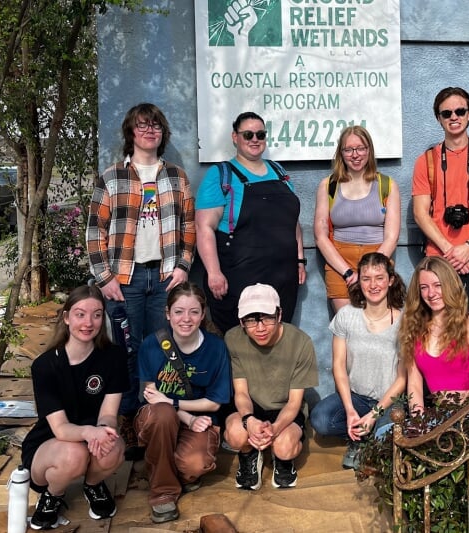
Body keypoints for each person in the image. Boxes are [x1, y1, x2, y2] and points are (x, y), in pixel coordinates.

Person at [86, 102, 196, 418]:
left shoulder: (176, 176)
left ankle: (159, 417)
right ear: (131, 133)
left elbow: (188, 225)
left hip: (165, 277)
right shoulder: (112, 176)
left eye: (155, 126)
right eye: (143, 125)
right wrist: (104, 277)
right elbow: (96, 229)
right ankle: (130, 419)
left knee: (164, 348)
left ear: (163, 133)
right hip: (125, 279)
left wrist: (183, 267)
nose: (150, 131)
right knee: (125, 351)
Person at [21, 285, 128, 530]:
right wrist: (89, 433)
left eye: (97, 314)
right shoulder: (45, 366)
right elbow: (60, 429)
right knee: (74, 454)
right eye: (80, 314)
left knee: (114, 448)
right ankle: (53, 495)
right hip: (49, 446)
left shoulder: (114, 357)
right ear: (67, 318)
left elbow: (109, 413)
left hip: (91, 437)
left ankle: (93, 485)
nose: (88, 322)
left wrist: (104, 431)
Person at [195, 111, 306, 333]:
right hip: (239, 279)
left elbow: (293, 222)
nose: (255, 139)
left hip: (283, 278)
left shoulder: (279, 171)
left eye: (260, 134)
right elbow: (203, 227)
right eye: (248, 135)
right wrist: (214, 273)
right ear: (235, 137)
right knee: (240, 342)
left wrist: (300, 260)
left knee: (277, 338)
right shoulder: (220, 175)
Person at [133, 283, 231, 523]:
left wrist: (175, 405)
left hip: (198, 419)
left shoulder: (216, 348)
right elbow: (153, 397)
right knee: (163, 414)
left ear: (202, 314)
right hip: (159, 418)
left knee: (195, 465)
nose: (186, 319)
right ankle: (163, 493)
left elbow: (214, 404)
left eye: (194, 312)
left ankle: (160, 465)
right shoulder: (151, 345)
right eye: (178, 311)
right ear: (167, 314)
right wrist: (186, 415)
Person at [309, 252, 407, 469]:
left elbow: (402, 379)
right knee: (321, 420)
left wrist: (374, 415)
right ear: (359, 281)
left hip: (389, 400)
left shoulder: (404, 322)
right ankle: (358, 431)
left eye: (379, 278)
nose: (373, 285)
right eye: (366, 278)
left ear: (390, 280)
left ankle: (366, 438)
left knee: (387, 433)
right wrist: (350, 409)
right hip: (356, 398)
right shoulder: (346, 315)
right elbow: (339, 367)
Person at [412, 87, 469, 314]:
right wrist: (450, 251)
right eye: (446, 113)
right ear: (438, 119)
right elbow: (420, 213)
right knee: (442, 330)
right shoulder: (426, 161)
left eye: (460, 111)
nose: (454, 117)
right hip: (439, 259)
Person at [223, 283, 319, 490]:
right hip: (251, 405)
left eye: (267, 318)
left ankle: (281, 459)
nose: (260, 328)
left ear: (279, 314)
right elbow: (240, 392)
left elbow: (294, 402)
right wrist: (249, 420)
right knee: (235, 435)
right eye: (251, 320)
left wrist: (274, 430)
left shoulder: (301, 342)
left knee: (284, 447)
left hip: (284, 408)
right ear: (241, 321)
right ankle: (248, 454)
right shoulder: (233, 339)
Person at [399, 257, 469, 415]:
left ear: (450, 285)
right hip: (437, 420)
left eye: (438, 285)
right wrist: (418, 424)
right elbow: (414, 386)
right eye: (424, 287)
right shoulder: (414, 330)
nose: (431, 293)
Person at [313, 126, 401, 312]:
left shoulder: (387, 185)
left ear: (369, 150)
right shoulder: (328, 185)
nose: (355, 154)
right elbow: (320, 236)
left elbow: (391, 237)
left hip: (377, 261)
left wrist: (370, 271)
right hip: (340, 264)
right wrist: (347, 272)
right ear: (341, 153)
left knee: (378, 324)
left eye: (361, 148)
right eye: (348, 149)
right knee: (348, 326)